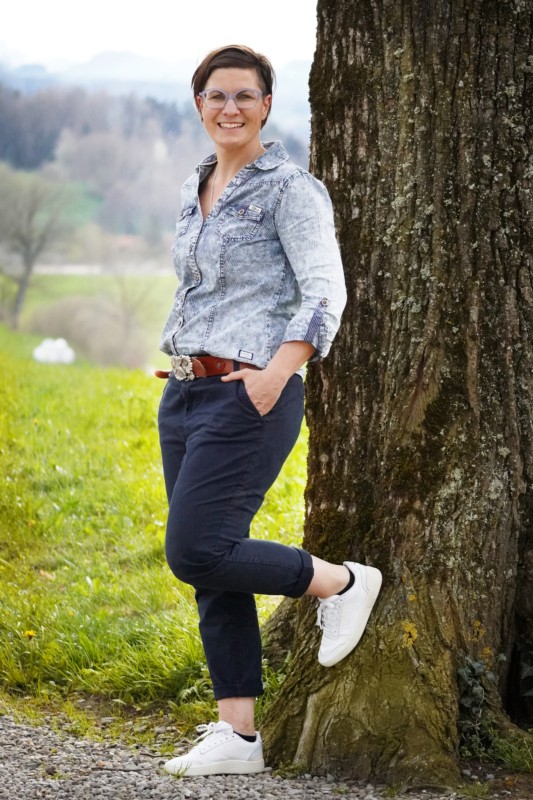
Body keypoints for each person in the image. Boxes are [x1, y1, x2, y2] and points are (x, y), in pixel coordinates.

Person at [157, 44, 382, 778]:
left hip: (249, 395)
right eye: (217, 96)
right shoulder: (195, 186)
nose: (230, 108)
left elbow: (324, 290)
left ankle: (342, 582)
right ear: (199, 105)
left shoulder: (291, 190)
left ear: (266, 105)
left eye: (244, 96)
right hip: (184, 393)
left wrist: (277, 372)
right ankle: (239, 735)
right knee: (212, 565)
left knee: (195, 550)